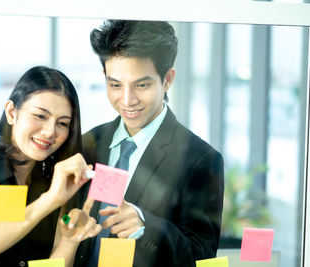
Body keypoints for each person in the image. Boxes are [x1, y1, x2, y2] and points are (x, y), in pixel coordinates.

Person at [75, 20, 225, 267]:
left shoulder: (200, 159)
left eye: (141, 85)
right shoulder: (88, 144)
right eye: (115, 85)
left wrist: (146, 225)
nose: (127, 100)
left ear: (167, 80)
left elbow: (201, 258)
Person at [0, 66, 101, 267]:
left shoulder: (55, 185)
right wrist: (49, 200)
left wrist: (70, 239)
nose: (50, 132)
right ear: (12, 112)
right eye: (40, 116)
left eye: (62, 123)